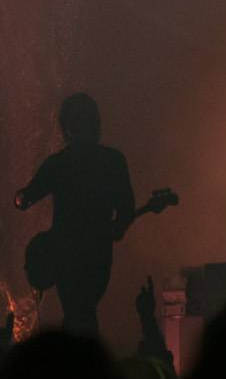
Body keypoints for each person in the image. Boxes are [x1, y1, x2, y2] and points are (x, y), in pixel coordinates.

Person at [14, 93, 135, 336]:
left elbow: (28, 196)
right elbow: (126, 207)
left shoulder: (59, 164)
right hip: (95, 252)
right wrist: (118, 227)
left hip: (68, 254)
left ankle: (74, 353)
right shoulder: (112, 161)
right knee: (82, 310)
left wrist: (21, 198)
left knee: (76, 309)